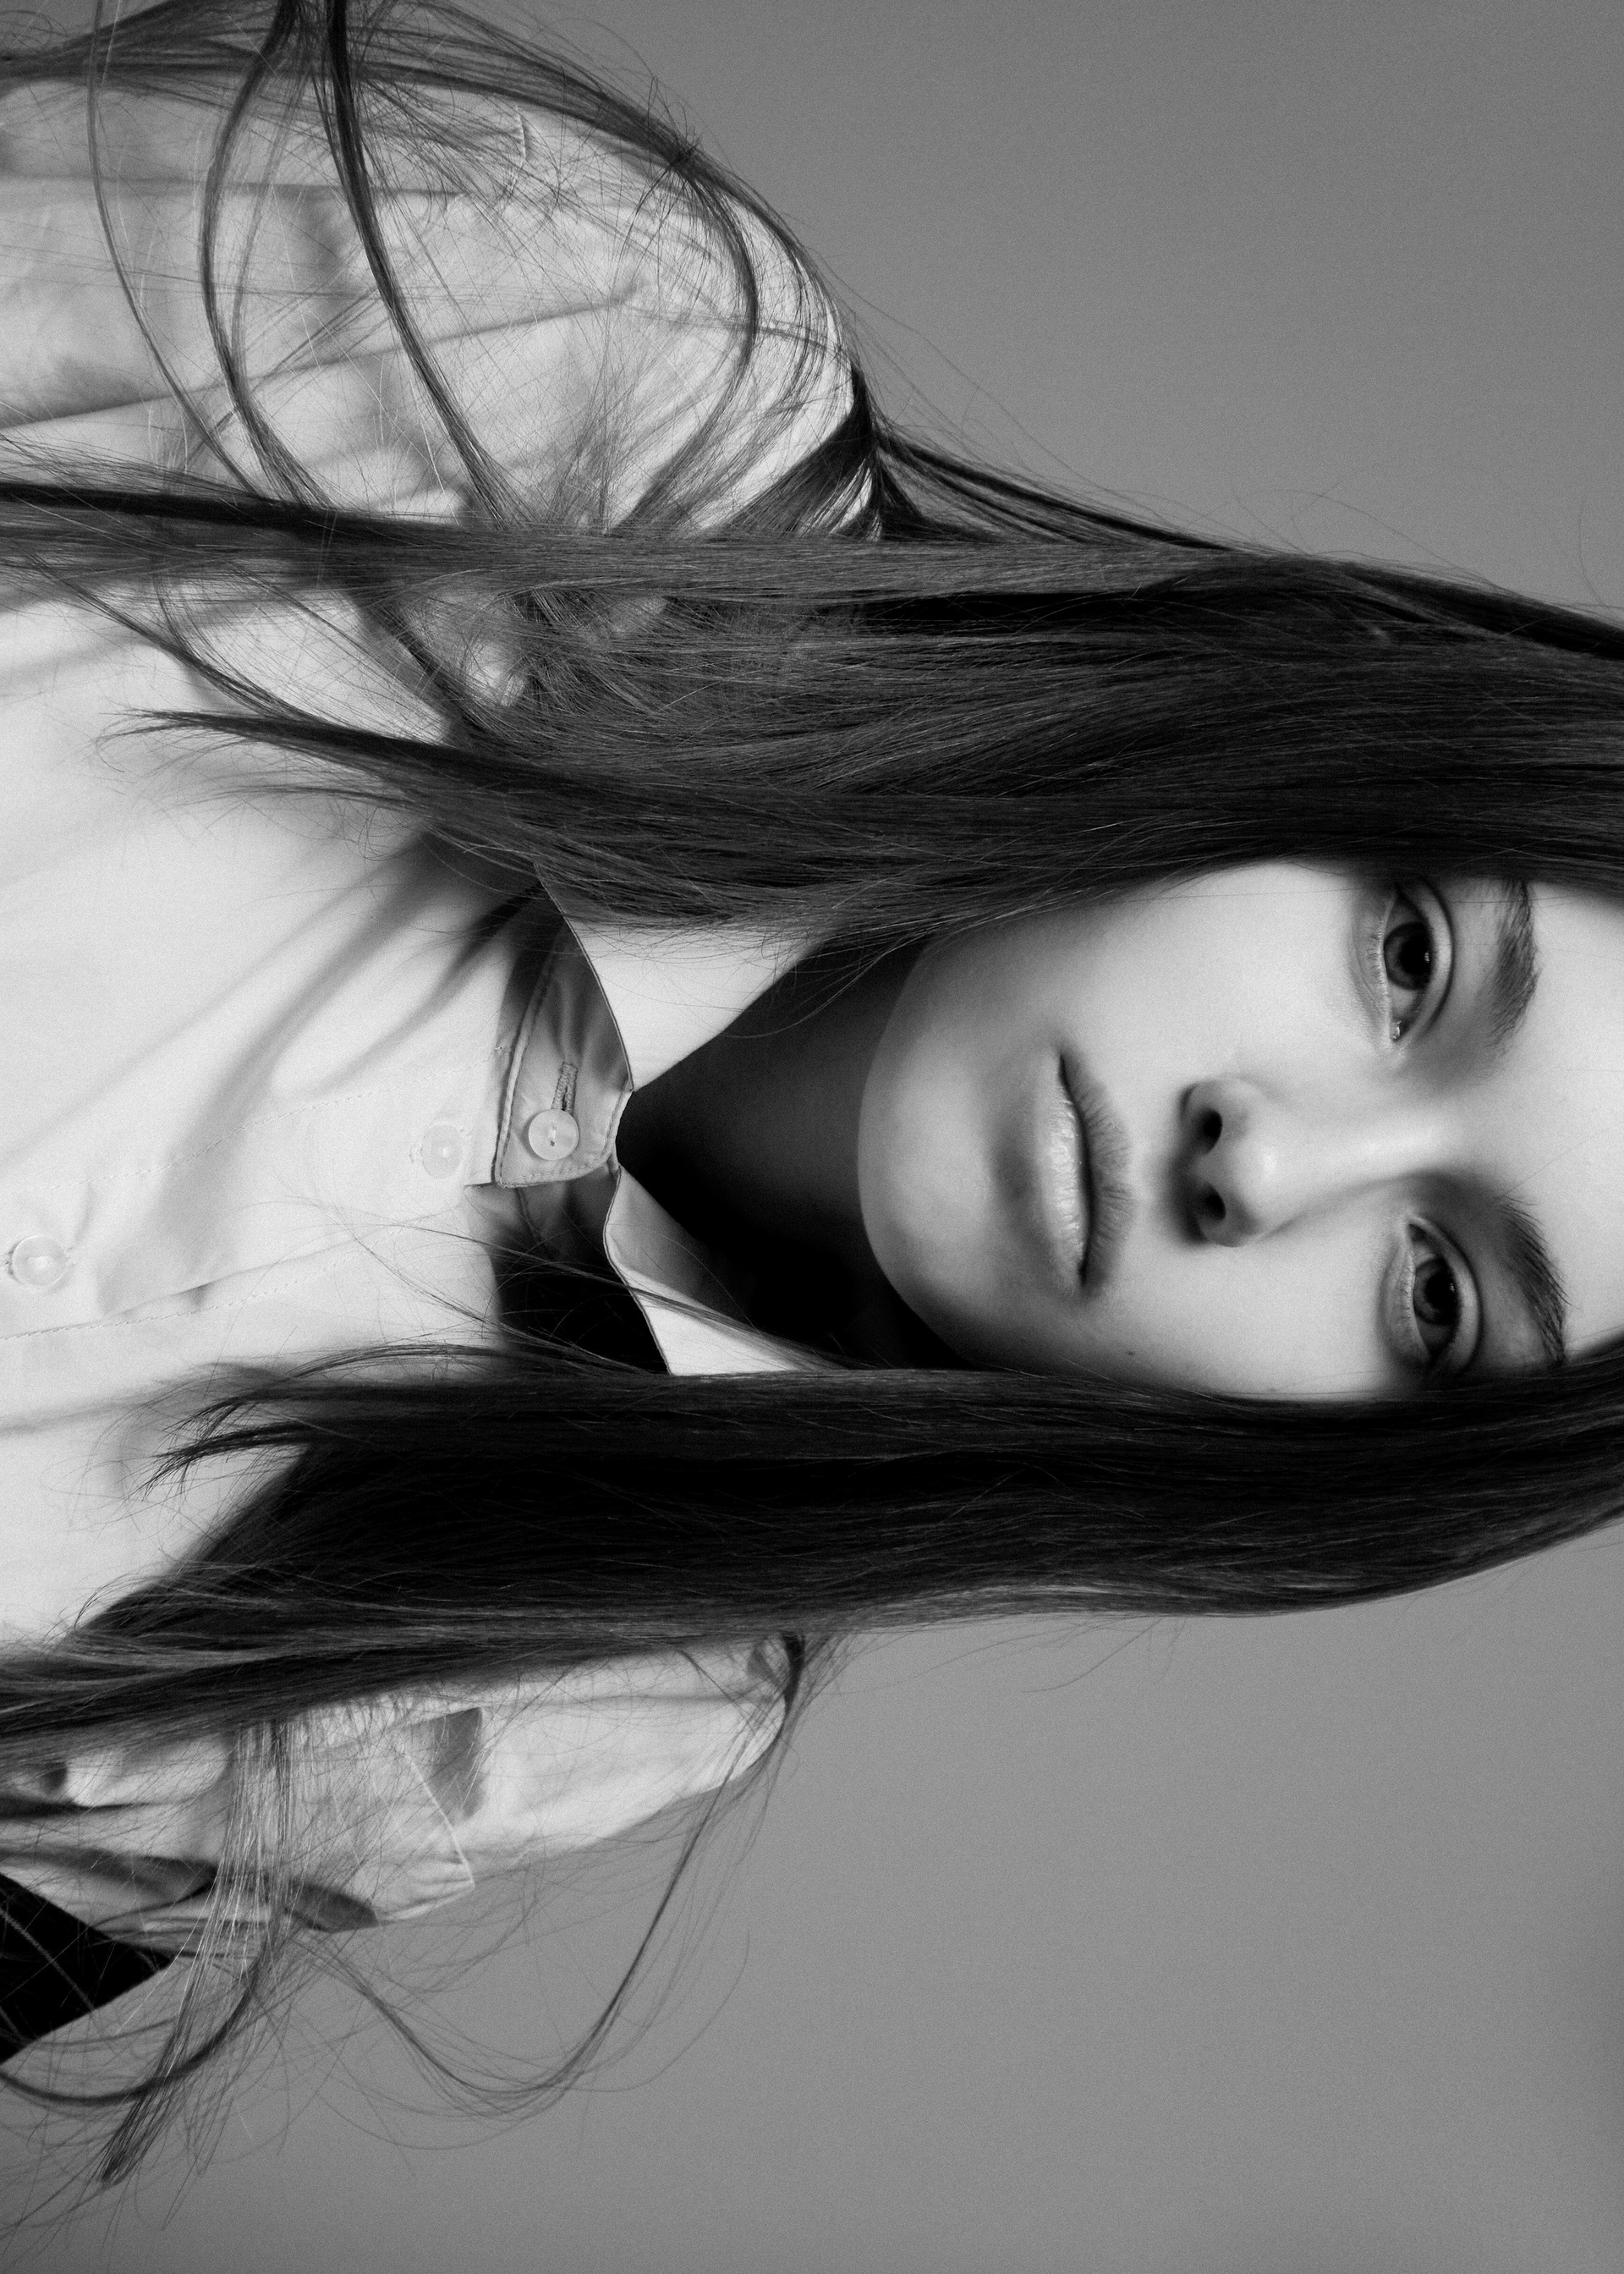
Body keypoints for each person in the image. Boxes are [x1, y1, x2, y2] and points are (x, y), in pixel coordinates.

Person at [1, 0, 1621, 2185]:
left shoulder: (600, 1684)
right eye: (1410, 963)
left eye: (1434, 1292)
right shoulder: (593, 363)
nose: (1266, 1159)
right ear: (1333, 741)